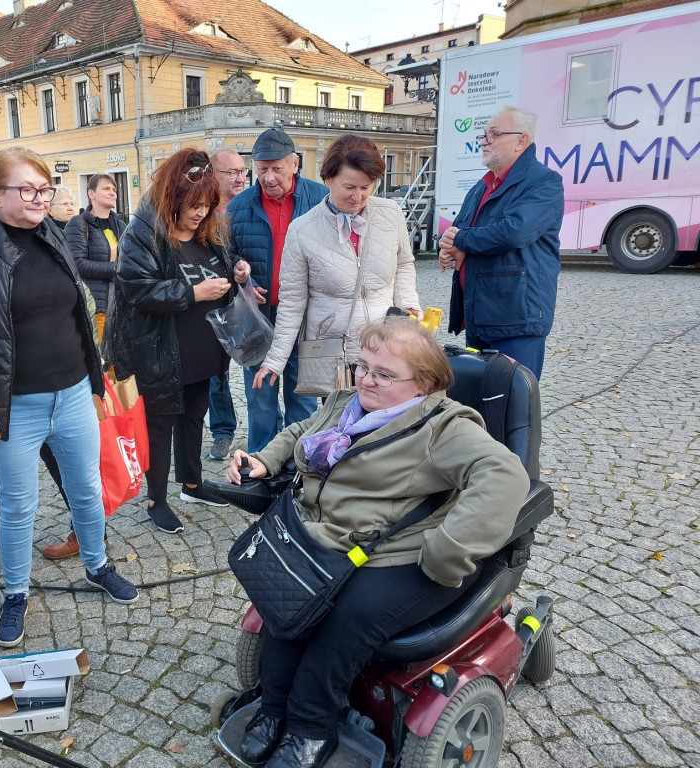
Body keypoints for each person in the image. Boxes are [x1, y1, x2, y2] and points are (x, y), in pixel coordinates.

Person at [226, 318, 529, 768]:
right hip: (329, 538)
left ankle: (310, 729)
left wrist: (448, 548)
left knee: (344, 619)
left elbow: (505, 474)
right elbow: (302, 431)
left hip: (396, 553)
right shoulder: (348, 403)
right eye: (362, 366)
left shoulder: (443, 427)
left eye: (383, 374)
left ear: (423, 384)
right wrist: (265, 461)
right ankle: (273, 711)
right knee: (286, 599)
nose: (366, 379)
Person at [0, 147, 138, 648]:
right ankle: (15, 594)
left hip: (71, 393)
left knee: (87, 490)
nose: (38, 199)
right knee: (17, 504)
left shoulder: (53, 233)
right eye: (25, 190)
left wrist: (94, 379)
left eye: (44, 190)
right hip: (14, 404)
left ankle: (96, 564)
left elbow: (76, 312)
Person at [108, 149, 252, 535]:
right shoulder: (143, 232)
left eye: (207, 204)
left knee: (193, 418)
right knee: (159, 426)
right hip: (158, 350)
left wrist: (235, 267)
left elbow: (214, 264)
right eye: (192, 205)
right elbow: (137, 289)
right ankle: (157, 499)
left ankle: (193, 484)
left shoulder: (209, 230)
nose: (200, 212)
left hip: (202, 350)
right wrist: (193, 293)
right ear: (172, 198)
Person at [253, 135, 421, 394]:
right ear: (328, 179)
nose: (358, 196)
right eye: (349, 187)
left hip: (387, 348)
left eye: (366, 187)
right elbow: (292, 302)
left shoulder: (391, 213)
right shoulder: (302, 230)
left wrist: (409, 305)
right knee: (341, 428)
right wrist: (275, 361)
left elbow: (404, 264)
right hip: (337, 356)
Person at [438, 106, 563, 380]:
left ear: (522, 140)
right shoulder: (481, 187)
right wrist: (446, 245)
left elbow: (514, 231)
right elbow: (457, 229)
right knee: (481, 408)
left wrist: (460, 240)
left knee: (512, 407)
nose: (484, 142)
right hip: (480, 317)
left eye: (494, 135)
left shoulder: (543, 182)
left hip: (516, 320)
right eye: (484, 135)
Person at [226, 128, 327, 453]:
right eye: (261, 169)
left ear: (294, 164)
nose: (268, 177)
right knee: (260, 401)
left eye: (276, 168)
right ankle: (261, 465)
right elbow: (226, 255)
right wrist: (241, 276)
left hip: (307, 321)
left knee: (303, 399)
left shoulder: (320, 198)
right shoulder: (239, 207)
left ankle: (299, 463)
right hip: (258, 319)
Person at [206, 149, 248, 461]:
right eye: (231, 172)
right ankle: (222, 431)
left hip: (248, 301)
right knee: (215, 372)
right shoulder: (202, 212)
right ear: (212, 174)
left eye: (243, 171)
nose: (239, 177)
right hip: (211, 303)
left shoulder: (248, 208)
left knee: (258, 366)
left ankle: (272, 432)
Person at [66, 174, 126, 342]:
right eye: (106, 188)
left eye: (114, 189)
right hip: (98, 305)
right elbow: (78, 264)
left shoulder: (120, 225)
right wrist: (117, 269)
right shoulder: (78, 223)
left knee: (124, 362)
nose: (112, 193)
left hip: (122, 303)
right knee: (103, 361)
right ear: (91, 194)